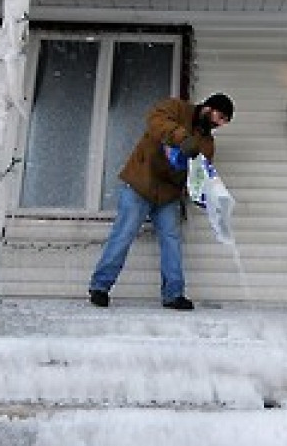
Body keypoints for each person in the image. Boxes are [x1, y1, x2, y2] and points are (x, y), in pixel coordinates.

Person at [88, 93, 234, 310]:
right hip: (140, 183)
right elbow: (156, 121)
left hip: (168, 195)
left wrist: (204, 193)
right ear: (208, 108)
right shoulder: (175, 109)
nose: (219, 124)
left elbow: (198, 175)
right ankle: (100, 287)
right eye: (219, 117)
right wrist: (183, 139)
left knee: (172, 241)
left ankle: (173, 294)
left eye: (224, 122)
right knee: (123, 235)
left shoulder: (207, 144)